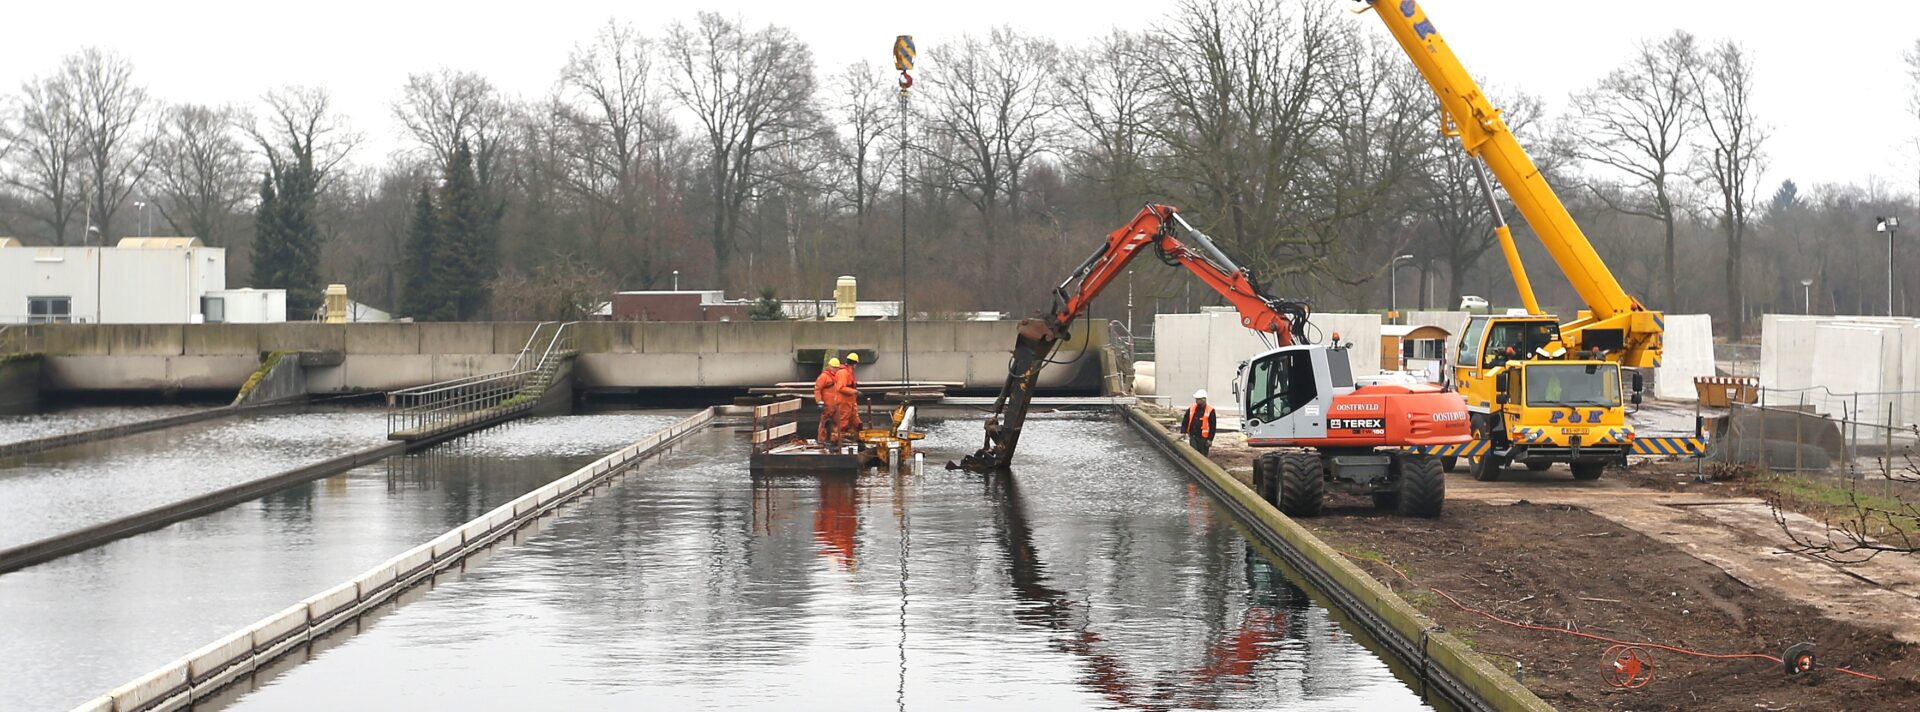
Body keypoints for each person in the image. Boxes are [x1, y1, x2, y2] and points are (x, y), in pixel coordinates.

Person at [814, 357, 844, 443]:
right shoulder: (824, 376)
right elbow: (817, 389)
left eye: (837, 368)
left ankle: (834, 441)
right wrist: (819, 402)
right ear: (830, 366)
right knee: (824, 423)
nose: (835, 369)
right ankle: (821, 441)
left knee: (836, 424)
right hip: (827, 406)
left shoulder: (838, 377)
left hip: (836, 405)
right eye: (834, 367)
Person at [1180, 389, 1218, 455]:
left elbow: (1212, 426)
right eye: (1196, 399)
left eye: (1198, 399)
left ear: (1203, 399)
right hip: (1193, 436)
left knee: (1203, 456)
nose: (1196, 401)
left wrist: (1210, 439)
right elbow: (1185, 421)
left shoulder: (1210, 411)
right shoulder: (1192, 408)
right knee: (1193, 454)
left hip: (1204, 439)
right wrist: (1183, 432)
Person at [833, 352, 862, 439]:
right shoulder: (843, 373)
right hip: (843, 402)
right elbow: (840, 388)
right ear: (854, 364)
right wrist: (855, 392)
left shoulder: (848, 372)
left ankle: (857, 439)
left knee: (856, 423)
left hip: (850, 402)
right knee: (842, 422)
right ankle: (836, 441)